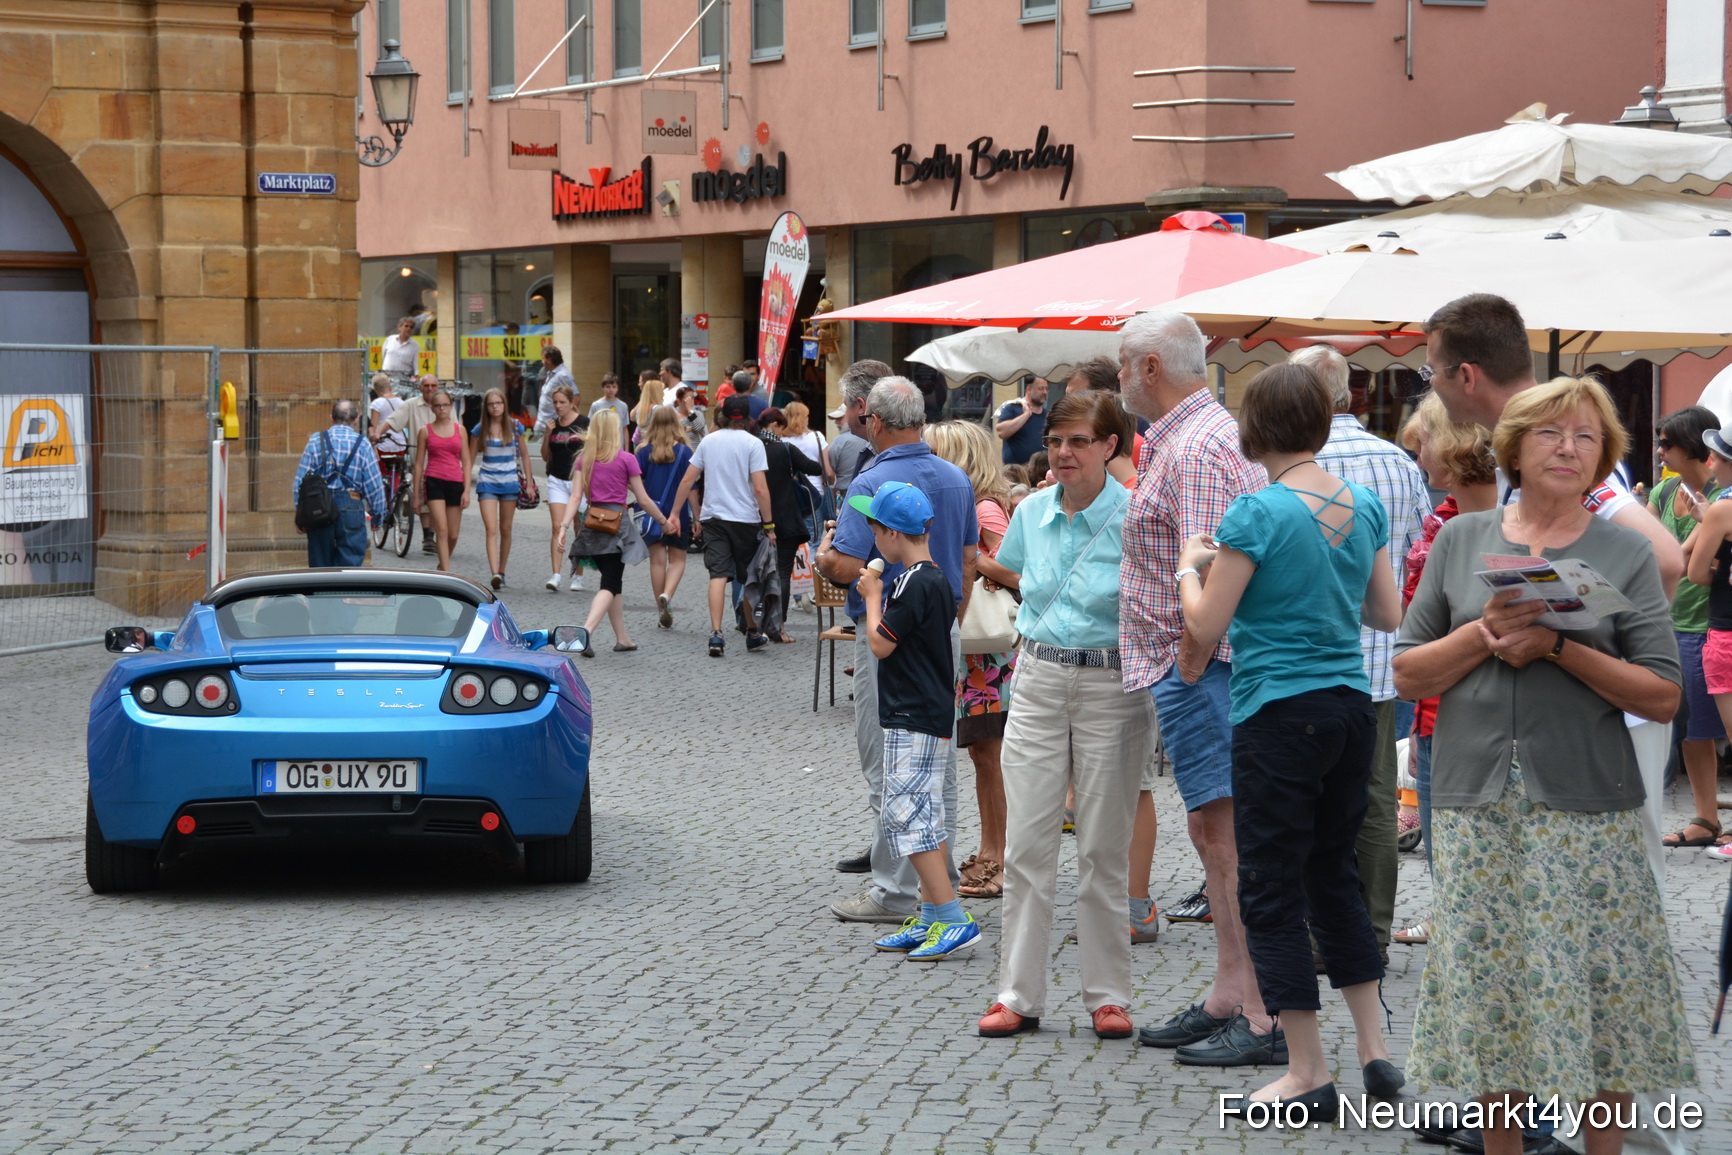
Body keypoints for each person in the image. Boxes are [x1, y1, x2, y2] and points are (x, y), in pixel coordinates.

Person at [1393, 376, 1694, 1154]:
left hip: (1588, 803)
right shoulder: (1462, 538)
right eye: (1552, 433)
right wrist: (1482, 634)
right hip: (1474, 802)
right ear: (1515, 446)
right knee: (1495, 1003)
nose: (1569, 447)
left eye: (1587, 437)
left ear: (1605, 458)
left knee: (1605, 999)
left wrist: (1561, 647)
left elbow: (1663, 694)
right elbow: (1406, 673)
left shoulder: (1624, 550)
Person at [1173, 360, 1404, 1120]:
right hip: (1349, 707)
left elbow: (1205, 630)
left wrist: (1188, 570)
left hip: (1278, 712)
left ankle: (1307, 1068)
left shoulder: (1255, 512)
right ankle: (1375, 1048)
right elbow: (1385, 613)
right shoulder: (1361, 503)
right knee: (1333, 876)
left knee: (1270, 885)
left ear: (1254, 427)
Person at [1116, 310, 1278, 1067]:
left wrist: (1187, 660)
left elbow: (1211, 566)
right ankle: (1229, 991)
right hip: (1189, 666)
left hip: (1202, 667)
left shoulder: (1202, 442)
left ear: (1150, 366)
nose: (1118, 378)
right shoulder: (1187, 436)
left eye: (1122, 364)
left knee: (1228, 839)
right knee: (1212, 834)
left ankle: (1261, 1010)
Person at [970, 391, 1149, 1042]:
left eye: (1077, 440)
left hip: (1111, 682)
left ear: (1110, 445)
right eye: (1055, 441)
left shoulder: (1137, 517)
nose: (1064, 452)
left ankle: (1107, 994)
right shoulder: (1032, 512)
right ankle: (1017, 992)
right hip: (1040, 677)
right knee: (1027, 847)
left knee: (1103, 846)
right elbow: (1013, 574)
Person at [816, 374, 978, 925]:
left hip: (890, 628)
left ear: (874, 421)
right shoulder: (956, 477)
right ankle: (940, 885)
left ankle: (893, 892)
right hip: (944, 628)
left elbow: (845, 562)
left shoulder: (877, 481)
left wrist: (826, 559)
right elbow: (971, 560)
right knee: (937, 765)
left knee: (889, 760)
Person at [1294, 343, 1431, 957]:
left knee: (1305, 799)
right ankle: (1369, 933)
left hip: (1303, 662)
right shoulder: (1399, 462)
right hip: (1380, 656)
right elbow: (1419, 550)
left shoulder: (1295, 464)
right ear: (1347, 392)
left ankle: (1314, 930)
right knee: (1374, 803)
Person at [851, 481, 981, 962]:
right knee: (917, 811)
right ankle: (929, 915)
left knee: (908, 817)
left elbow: (881, 643)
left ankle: (949, 916)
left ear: (889, 533)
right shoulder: (934, 578)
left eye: (872, 527)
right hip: (923, 711)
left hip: (914, 714)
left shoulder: (909, 583)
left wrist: (870, 594)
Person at [1391, 394, 1498, 948]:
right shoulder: (1446, 519)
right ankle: (1452, 921)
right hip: (1433, 709)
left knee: (1461, 856)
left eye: (1424, 444)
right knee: (1445, 853)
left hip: (1467, 719)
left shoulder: (1478, 526)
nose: (1419, 460)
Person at [921, 420, 1014, 902]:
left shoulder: (984, 510)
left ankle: (998, 855)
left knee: (991, 758)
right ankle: (989, 848)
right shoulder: (971, 507)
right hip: (980, 660)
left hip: (992, 658)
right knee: (983, 757)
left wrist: (976, 561)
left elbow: (1019, 572)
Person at [1655, 407, 1729, 850]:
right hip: (1670, 620)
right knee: (1687, 727)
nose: (1660, 450)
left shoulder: (1722, 495)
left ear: (1693, 449)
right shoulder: (1665, 491)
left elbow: (1686, 563)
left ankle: (1706, 815)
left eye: (1666, 443)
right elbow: (1649, 546)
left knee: (1705, 724)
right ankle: (1704, 817)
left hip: (1706, 624)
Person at [554, 409, 678, 656]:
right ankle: (586, 632)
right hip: (616, 527)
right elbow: (643, 499)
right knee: (609, 584)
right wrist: (663, 521)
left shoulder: (584, 460)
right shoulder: (626, 460)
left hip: (591, 525)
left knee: (613, 583)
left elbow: (575, 496)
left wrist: (564, 527)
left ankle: (623, 638)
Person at [667, 395, 776, 658]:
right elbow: (760, 488)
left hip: (713, 518)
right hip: (746, 520)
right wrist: (769, 525)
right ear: (748, 418)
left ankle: (716, 634)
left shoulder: (708, 441)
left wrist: (673, 514)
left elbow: (687, 481)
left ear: (722, 416)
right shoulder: (753, 443)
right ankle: (752, 631)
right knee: (749, 577)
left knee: (717, 576)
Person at [754, 408, 821, 643]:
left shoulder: (751, 448)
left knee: (752, 573)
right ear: (775, 425)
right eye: (781, 428)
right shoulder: (785, 449)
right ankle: (777, 627)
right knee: (782, 572)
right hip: (786, 519)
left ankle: (750, 624)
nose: (782, 433)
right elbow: (816, 468)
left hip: (754, 519)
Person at [294, 398, 386, 567]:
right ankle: (345, 592)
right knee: (349, 566)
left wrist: (301, 515)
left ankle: (322, 592)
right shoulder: (363, 444)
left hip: (319, 507)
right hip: (352, 504)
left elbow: (300, 482)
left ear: (331, 417)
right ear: (356, 419)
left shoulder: (316, 440)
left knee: (320, 565)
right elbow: (374, 485)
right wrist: (377, 516)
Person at [636, 406, 697, 629]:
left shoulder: (643, 452)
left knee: (657, 561)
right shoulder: (685, 452)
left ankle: (660, 607)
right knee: (678, 560)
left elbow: (637, 485)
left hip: (652, 515)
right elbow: (691, 488)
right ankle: (667, 595)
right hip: (678, 513)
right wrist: (697, 517)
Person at [468, 387, 531, 591]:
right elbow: (468, 460)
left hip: (509, 482)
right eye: (491, 404)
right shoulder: (479, 429)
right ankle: (494, 571)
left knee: (506, 528)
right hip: (487, 481)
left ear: (504, 405)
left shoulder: (515, 427)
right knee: (491, 528)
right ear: (486, 407)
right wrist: (464, 487)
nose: (495, 407)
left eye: (499, 403)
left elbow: (525, 456)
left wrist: (529, 483)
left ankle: (502, 571)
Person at [378, 373, 441, 555]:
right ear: (420, 388)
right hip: (420, 461)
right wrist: (378, 433)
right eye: (426, 385)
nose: (430, 389)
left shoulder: (445, 405)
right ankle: (428, 536)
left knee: (436, 501)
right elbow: (392, 421)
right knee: (422, 498)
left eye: (433, 386)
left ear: (438, 387)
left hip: (441, 461)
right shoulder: (411, 405)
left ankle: (435, 535)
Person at [411, 389, 472, 572]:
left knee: (453, 534)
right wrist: (416, 496)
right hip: (434, 480)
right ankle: (446, 572)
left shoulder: (460, 430)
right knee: (442, 530)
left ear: (451, 406)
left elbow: (467, 462)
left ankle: (441, 563)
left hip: (455, 481)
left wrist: (467, 490)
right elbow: (419, 464)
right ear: (432, 408)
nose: (442, 409)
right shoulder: (425, 431)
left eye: (445, 405)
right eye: (437, 406)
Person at [541, 387, 587, 592]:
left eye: (562, 402)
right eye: (555, 403)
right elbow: (544, 455)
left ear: (571, 402)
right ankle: (556, 575)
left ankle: (578, 575)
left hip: (578, 481)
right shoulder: (553, 425)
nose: (558, 406)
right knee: (557, 526)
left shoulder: (584, 423)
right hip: (556, 480)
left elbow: (591, 451)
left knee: (579, 527)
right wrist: (547, 434)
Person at [994, 377, 1048, 466]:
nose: (1045, 392)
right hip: (1016, 472)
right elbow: (1001, 432)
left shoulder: (1048, 415)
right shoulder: (1012, 408)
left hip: (1040, 472)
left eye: (1046, 389)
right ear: (1029, 389)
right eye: (1041, 388)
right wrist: (1026, 415)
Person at [534, 346, 577, 434]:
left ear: (549, 359)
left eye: (543, 358)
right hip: (543, 425)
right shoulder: (551, 374)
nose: (542, 362)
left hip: (553, 426)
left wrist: (568, 420)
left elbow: (576, 397)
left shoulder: (563, 375)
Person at [367, 373, 406, 456]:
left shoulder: (377, 403)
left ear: (376, 388)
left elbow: (374, 426)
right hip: (400, 443)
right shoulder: (402, 402)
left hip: (383, 444)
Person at [633, 371, 665, 448]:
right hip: (655, 446)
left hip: (641, 445)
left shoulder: (639, 409)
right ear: (656, 392)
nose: (663, 393)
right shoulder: (658, 409)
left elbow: (632, 417)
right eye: (661, 390)